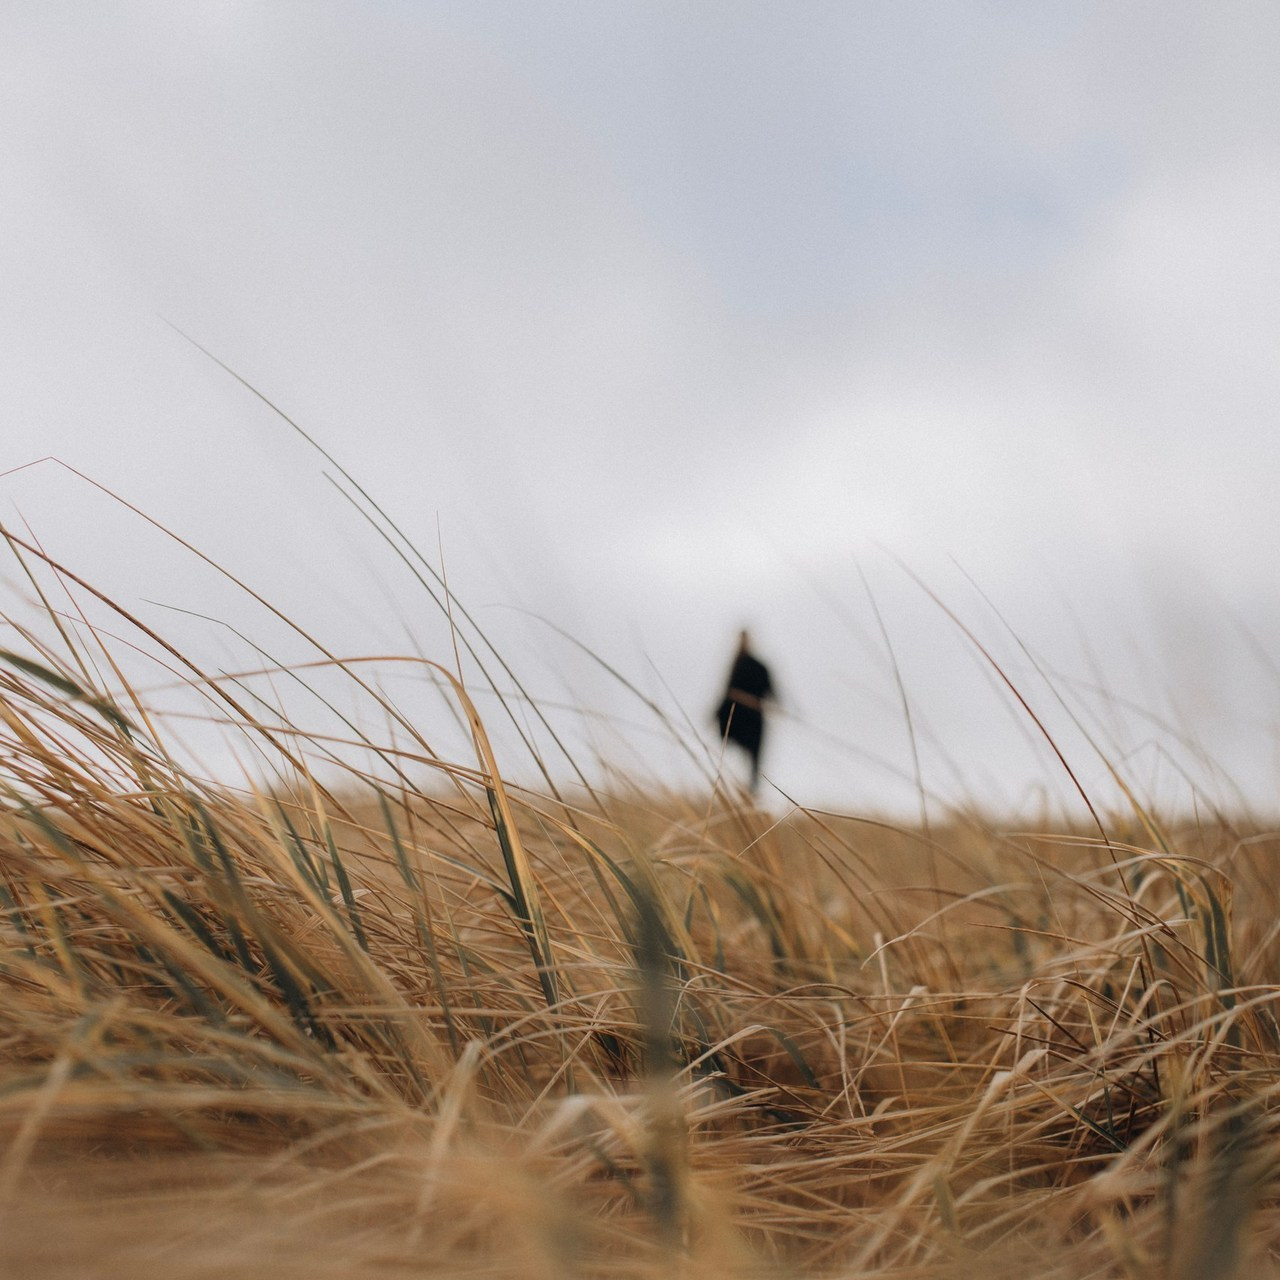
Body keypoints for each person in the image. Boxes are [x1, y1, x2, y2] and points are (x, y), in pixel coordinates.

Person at [715, 629, 774, 794]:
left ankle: (750, 794)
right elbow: (727, 691)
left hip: (753, 721)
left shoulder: (758, 666)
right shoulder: (736, 665)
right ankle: (740, 790)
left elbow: (771, 693)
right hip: (739, 721)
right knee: (746, 759)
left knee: (754, 762)